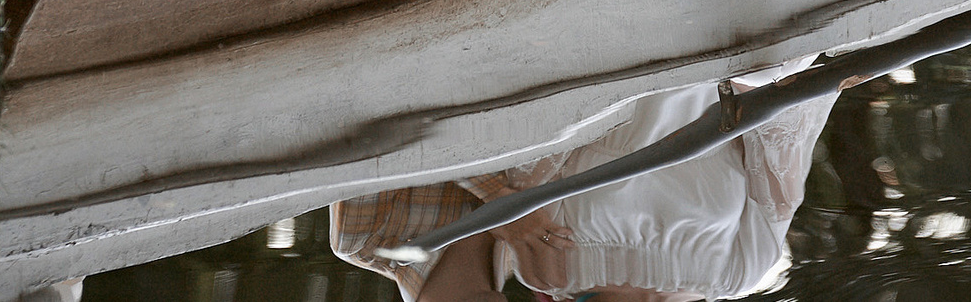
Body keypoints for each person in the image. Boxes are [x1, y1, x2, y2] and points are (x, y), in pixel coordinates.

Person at [330, 66, 840, 302]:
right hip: (731, 50)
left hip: (605, 37)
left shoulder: (368, 235)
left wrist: (501, 200)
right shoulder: (534, 261)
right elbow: (785, 128)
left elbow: (379, 101)